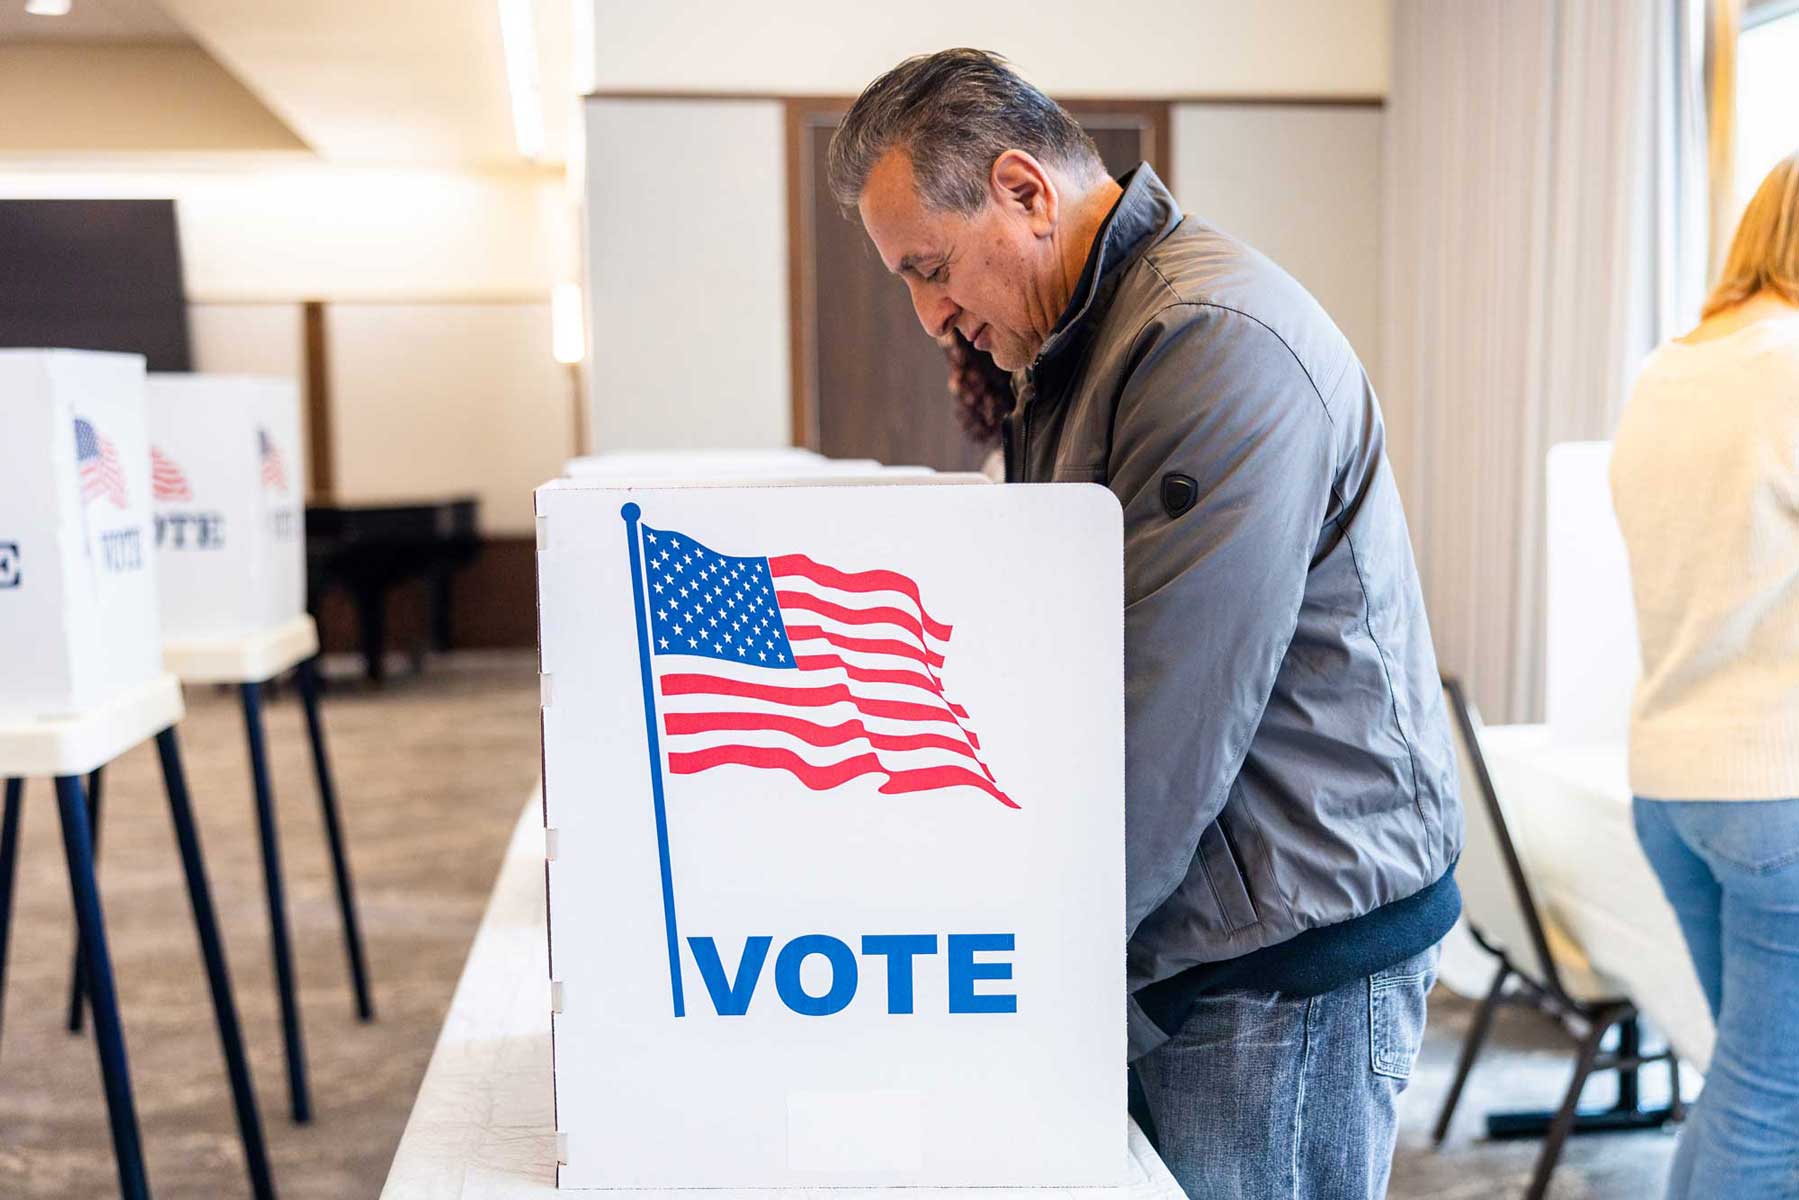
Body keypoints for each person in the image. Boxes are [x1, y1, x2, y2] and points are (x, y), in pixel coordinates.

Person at [828, 50, 1463, 1199]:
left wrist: (1012, 963)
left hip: (1279, 952)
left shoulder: (1207, 341)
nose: (928, 315)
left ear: (1023, 190)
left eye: (928, 269)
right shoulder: (1079, 346)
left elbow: (1158, 720)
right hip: (1210, 919)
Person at [1612, 150, 1799, 1200]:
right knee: (1770, 1101)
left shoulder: (1671, 365)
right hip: (1774, 785)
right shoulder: (1786, 364)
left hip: (1674, 782)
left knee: (1747, 1081)